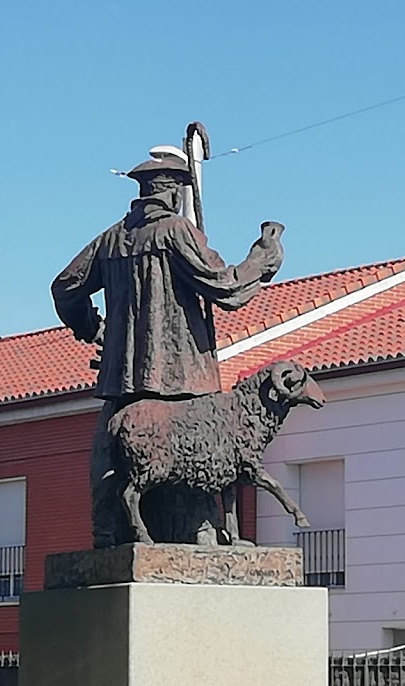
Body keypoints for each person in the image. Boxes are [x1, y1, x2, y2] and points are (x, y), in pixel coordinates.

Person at [51, 154, 284, 547]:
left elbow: (65, 288)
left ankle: (111, 536)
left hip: (123, 384)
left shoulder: (111, 238)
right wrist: (262, 259)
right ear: (174, 191)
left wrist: (94, 328)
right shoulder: (177, 231)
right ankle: (202, 532)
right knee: (197, 461)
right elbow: (226, 288)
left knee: (112, 471)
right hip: (183, 381)